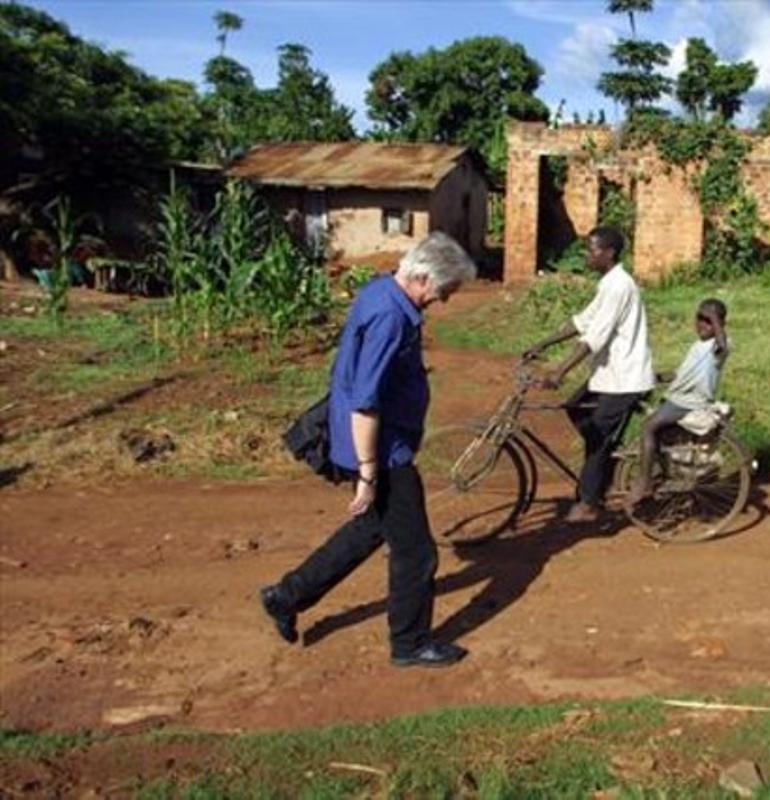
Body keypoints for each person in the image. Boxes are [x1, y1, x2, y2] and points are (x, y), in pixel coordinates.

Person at [259, 232, 477, 668]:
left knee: (370, 529)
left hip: (374, 442)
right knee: (416, 553)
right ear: (420, 276)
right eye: (443, 289)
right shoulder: (390, 319)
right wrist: (368, 471)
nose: (445, 300)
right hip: (383, 450)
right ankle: (410, 643)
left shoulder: (382, 290)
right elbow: (365, 401)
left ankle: (287, 595)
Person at [522, 226, 654, 523]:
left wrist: (559, 371)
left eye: (591, 249)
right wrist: (543, 343)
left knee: (595, 437)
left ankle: (590, 502)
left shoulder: (620, 286)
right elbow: (583, 321)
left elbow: (596, 337)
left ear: (608, 253)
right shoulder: (609, 284)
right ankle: (603, 466)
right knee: (576, 409)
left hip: (625, 379)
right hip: (610, 376)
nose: (586, 255)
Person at [628, 298, 729, 504]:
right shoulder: (697, 346)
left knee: (648, 428)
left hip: (689, 402)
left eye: (709, 321)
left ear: (719, 324)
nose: (703, 324)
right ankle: (657, 471)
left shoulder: (718, 347)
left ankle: (645, 483)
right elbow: (683, 375)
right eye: (700, 318)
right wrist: (657, 377)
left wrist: (714, 319)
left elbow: (722, 345)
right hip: (678, 397)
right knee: (656, 431)